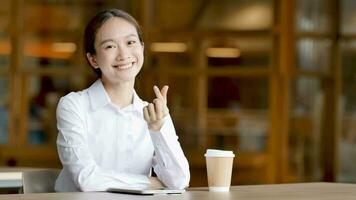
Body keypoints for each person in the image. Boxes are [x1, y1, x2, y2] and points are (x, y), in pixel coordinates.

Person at [54, 8, 190, 192]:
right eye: (110, 46)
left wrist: (158, 129)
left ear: (142, 47)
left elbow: (180, 180)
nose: (123, 54)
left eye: (131, 42)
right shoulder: (73, 106)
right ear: (93, 59)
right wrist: (151, 183)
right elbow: (86, 179)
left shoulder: (153, 113)